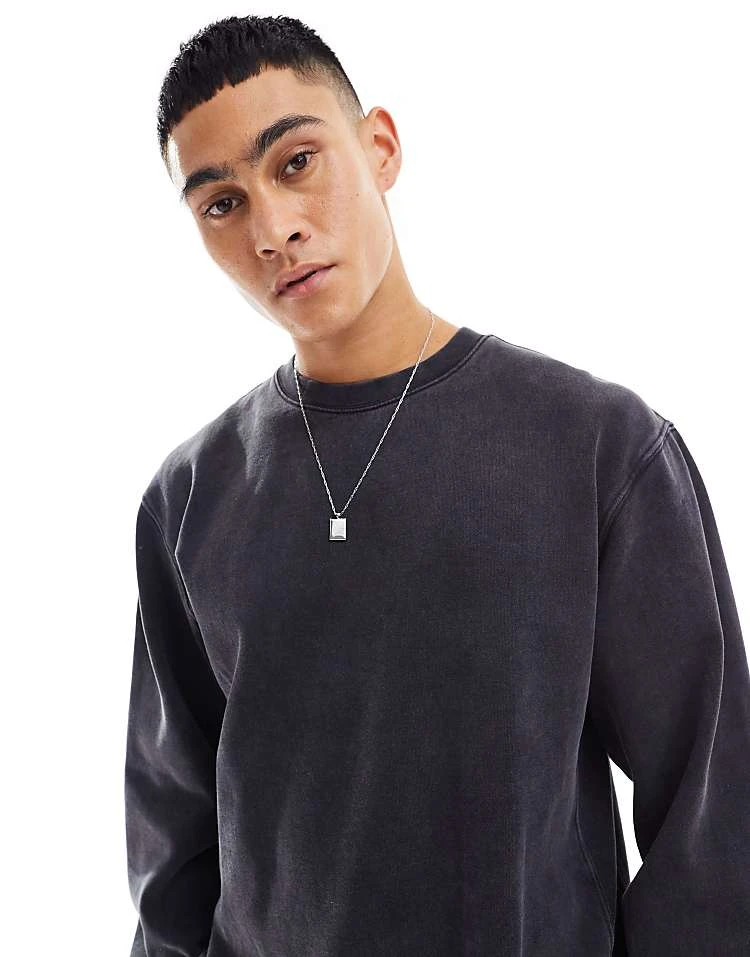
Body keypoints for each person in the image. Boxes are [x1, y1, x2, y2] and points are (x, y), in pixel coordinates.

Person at [124, 14, 750, 957]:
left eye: (296, 162)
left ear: (379, 147)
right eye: (221, 203)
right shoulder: (186, 499)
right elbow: (173, 851)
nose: (273, 229)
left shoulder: (598, 445)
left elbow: (711, 815)